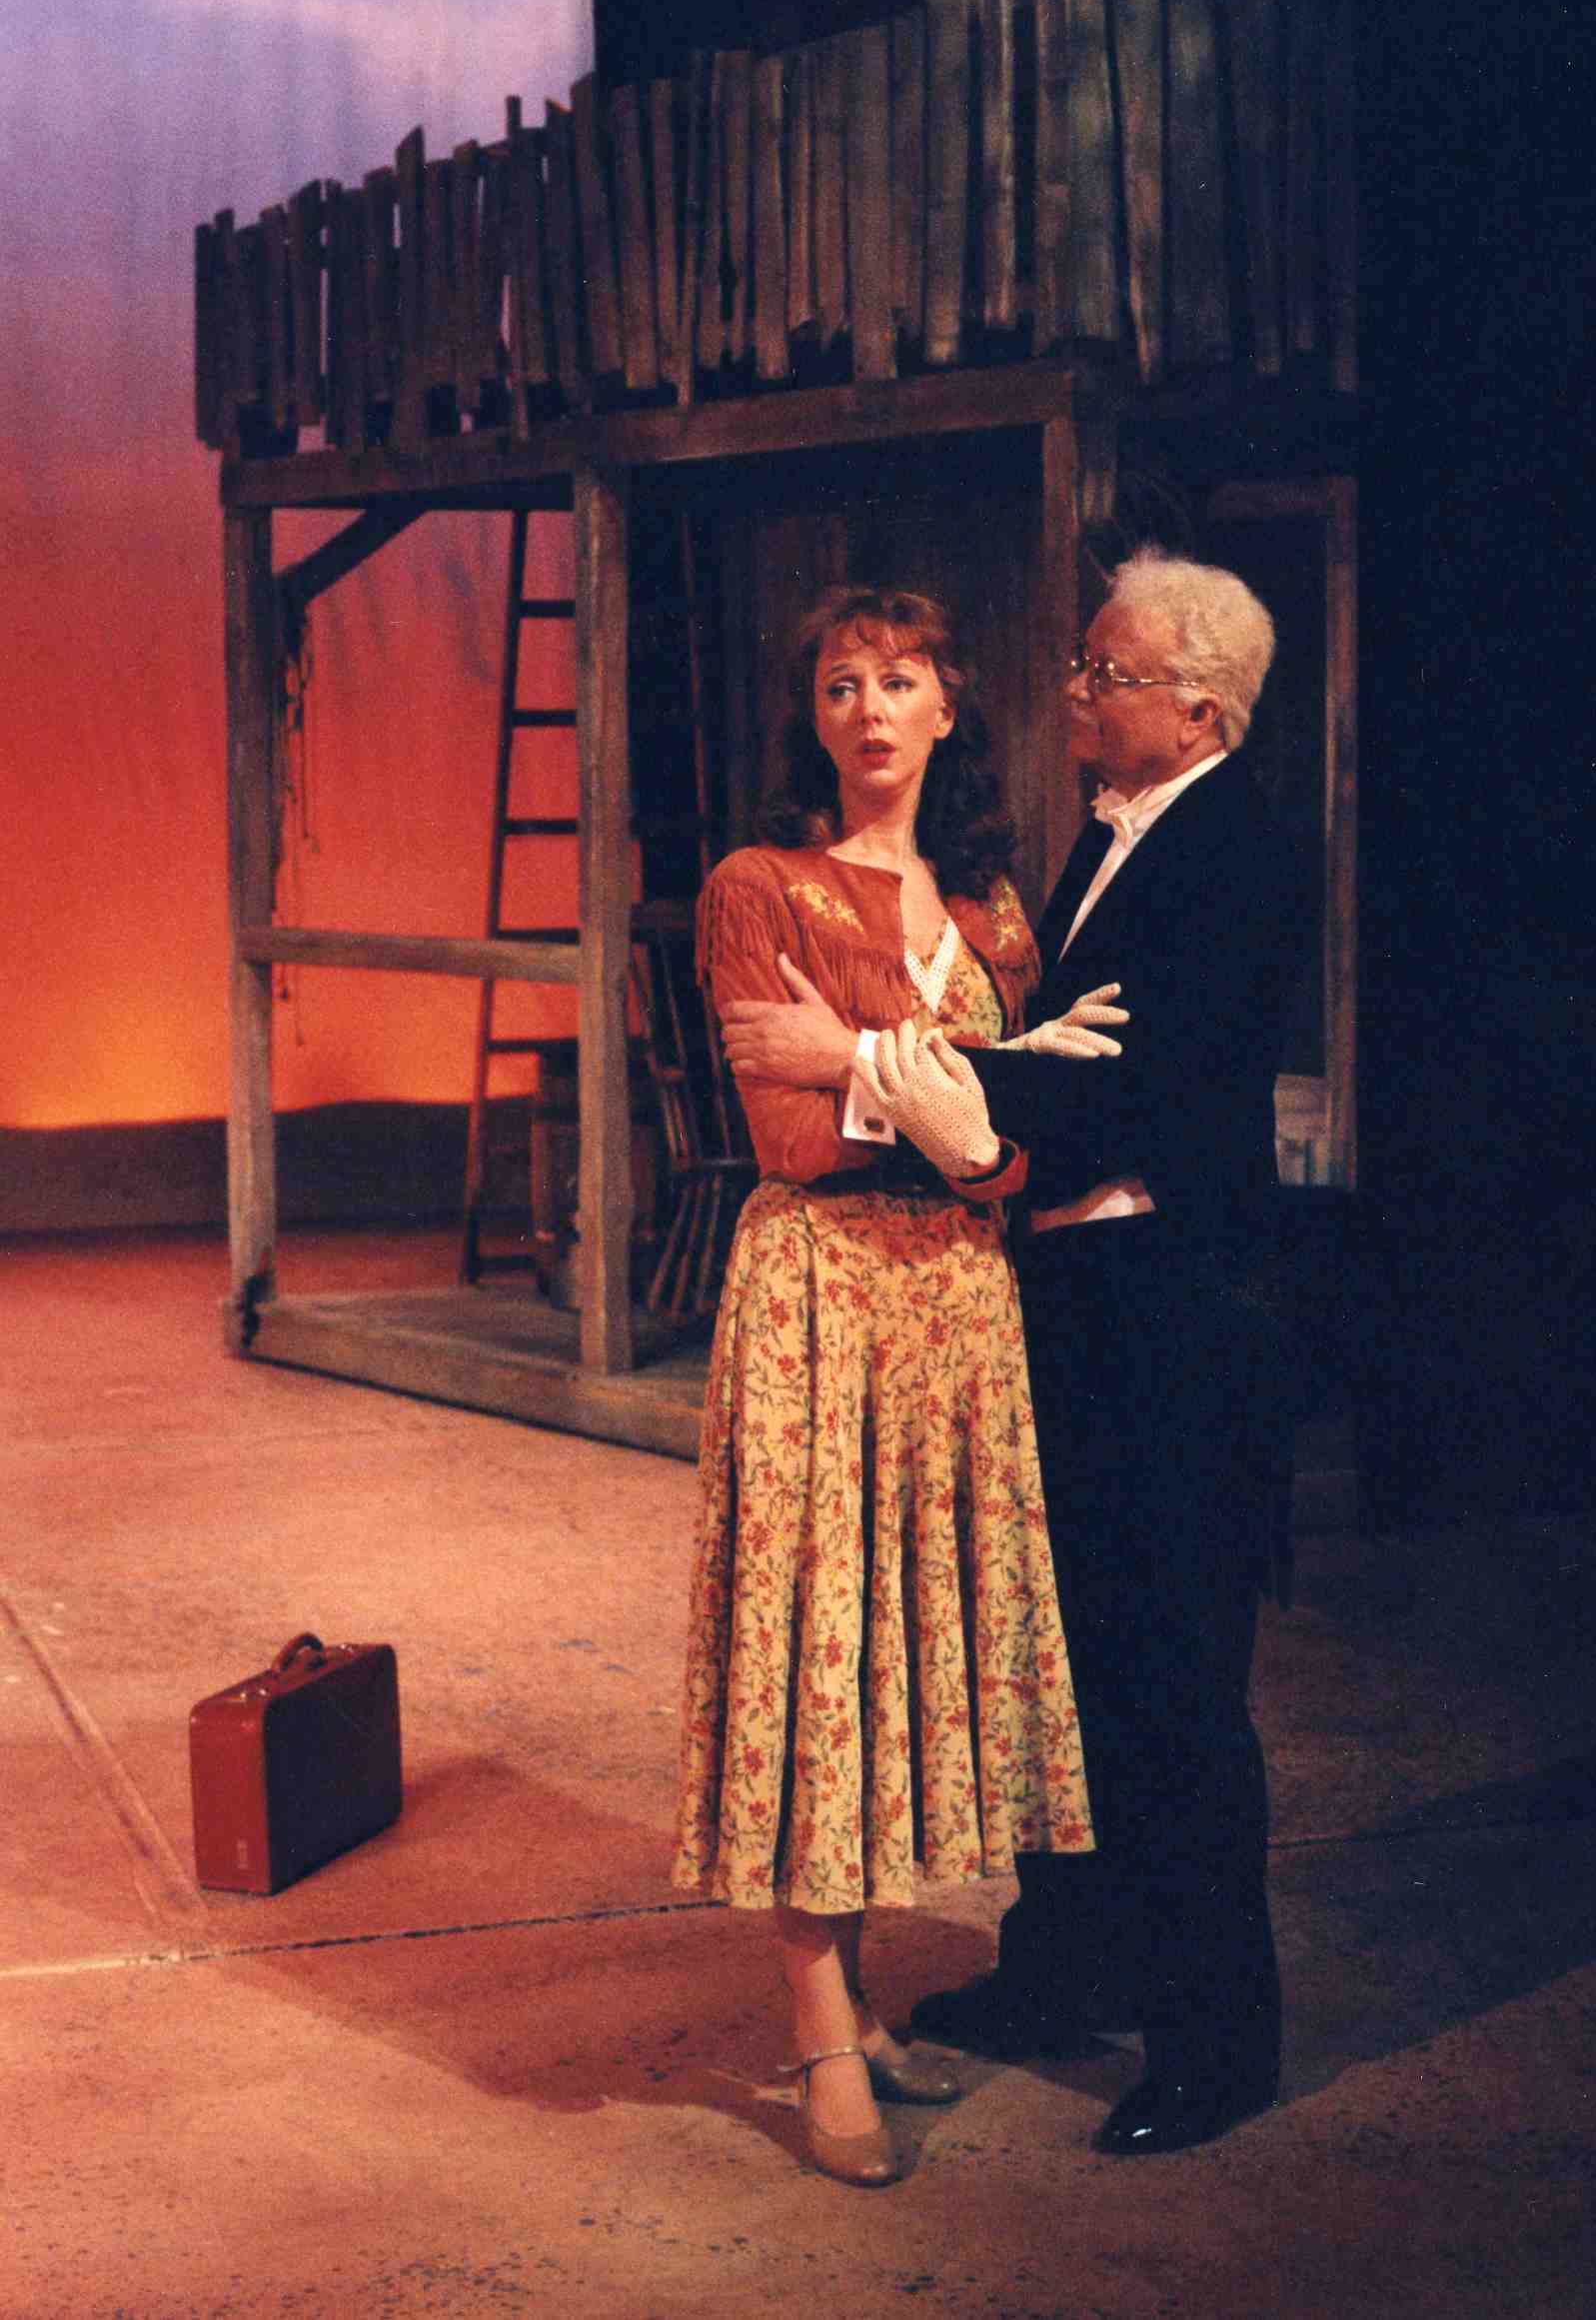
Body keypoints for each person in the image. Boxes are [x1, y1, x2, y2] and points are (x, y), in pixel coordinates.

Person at [727, 546, 1302, 2156]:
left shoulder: (1236, 849)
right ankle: (1067, 1970)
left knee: (1173, 1685)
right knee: (1070, 1663)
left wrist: (862, 1058)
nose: (1077, 690)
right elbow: (1041, 1068)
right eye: (1079, 665)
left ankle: (1213, 2042)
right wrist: (991, 1073)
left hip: (1173, 1319)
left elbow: (1127, 1093)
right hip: (1078, 1300)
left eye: (1106, 673)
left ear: (1197, 707)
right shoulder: (1106, 838)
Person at [671, 584, 1118, 2189]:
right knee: (815, 1650)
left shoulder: (994, 915)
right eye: (841, 684)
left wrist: (868, 1068)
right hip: (821, 1296)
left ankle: (857, 2009)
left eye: (900, 679)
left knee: (887, 1659)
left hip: (960, 1313)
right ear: (814, 717)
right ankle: (812, 2023)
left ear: (947, 706)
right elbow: (790, 1141)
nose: (869, 709)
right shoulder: (759, 885)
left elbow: (1015, 1155)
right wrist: (941, 1115)